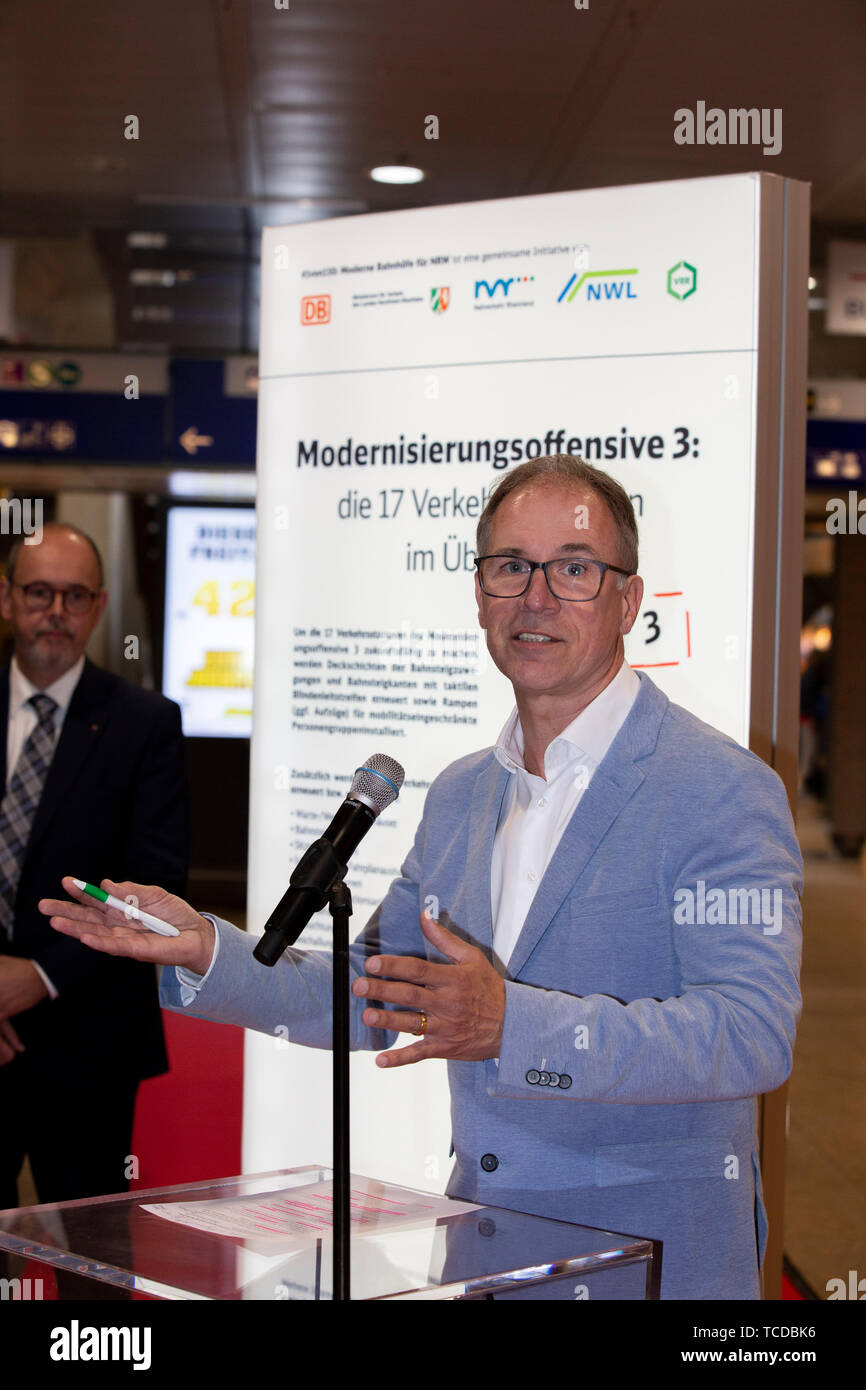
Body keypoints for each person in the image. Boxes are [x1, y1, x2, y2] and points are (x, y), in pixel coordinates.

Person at [40, 457, 803, 1300]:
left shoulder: (720, 787)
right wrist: (200, 950)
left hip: (655, 1262)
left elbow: (751, 1032)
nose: (537, 598)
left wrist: (514, 1025)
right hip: (493, 1255)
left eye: (575, 569)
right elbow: (377, 995)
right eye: (511, 567)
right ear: (480, 595)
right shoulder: (460, 794)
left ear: (628, 599)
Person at [0, 522, 188, 1211]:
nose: (55, 612)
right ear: (6, 597)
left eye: (74, 596)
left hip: (86, 1042)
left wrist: (40, 976)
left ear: (100, 607)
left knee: (92, 1270)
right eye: (39, 592)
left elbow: (157, 885)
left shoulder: (145, 724)